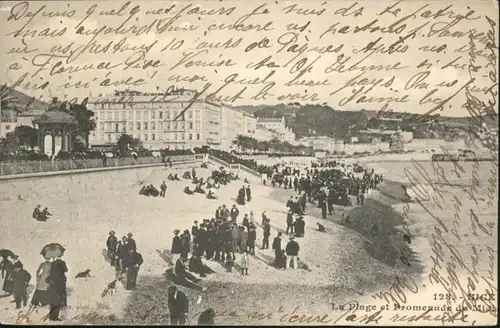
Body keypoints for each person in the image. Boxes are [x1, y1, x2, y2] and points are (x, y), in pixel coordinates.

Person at [46, 257, 68, 321]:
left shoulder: (53, 263)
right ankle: (55, 318)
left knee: (53, 301)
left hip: (53, 284)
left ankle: (51, 317)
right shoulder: (62, 262)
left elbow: (50, 272)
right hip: (60, 284)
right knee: (59, 301)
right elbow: (66, 270)